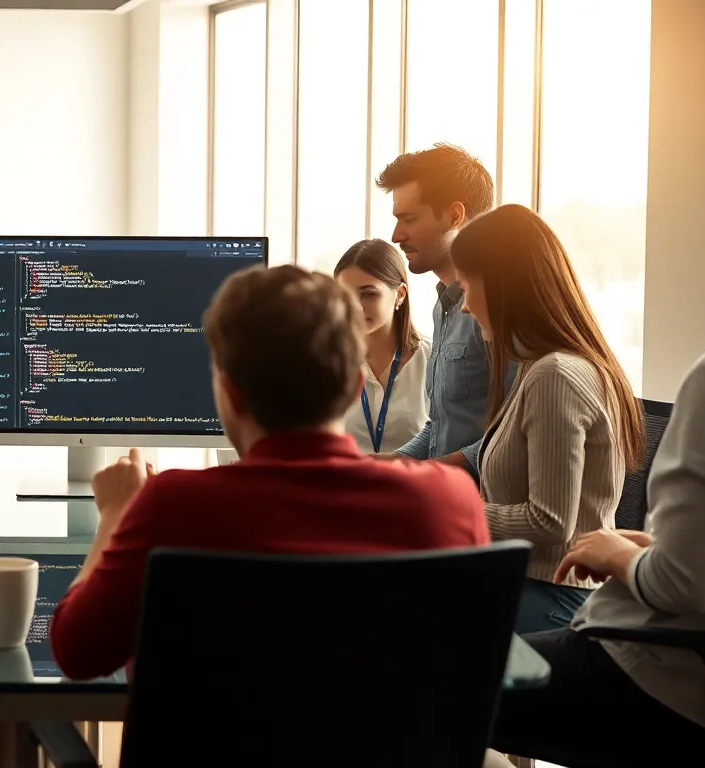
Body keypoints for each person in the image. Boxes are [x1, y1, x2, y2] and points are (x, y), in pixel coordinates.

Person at [48, 264, 489, 681]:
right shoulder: (448, 502)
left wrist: (115, 516)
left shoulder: (171, 506)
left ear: (231, 393)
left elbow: (77, 654)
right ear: (353, 386)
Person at [493, 328, 705, 765]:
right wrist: (660, 549)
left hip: (690, 683)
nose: (466, 305)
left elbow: (687, 586)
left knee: (436, 679)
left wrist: (619, 555)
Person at [449, 204, 644, 633]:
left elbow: (550, 522)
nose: (464, 307)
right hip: (536, 587)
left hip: (553, 597)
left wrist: (450, 511)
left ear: (501, 286)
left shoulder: (555, 375)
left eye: (466, 287)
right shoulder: (542, 367)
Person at [375, 143, 510, 478]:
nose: (395, 235)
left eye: (408, 219)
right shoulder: (443, 306)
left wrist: (429, 475)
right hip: (444, 496)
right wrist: (389, 463)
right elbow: (440, 428)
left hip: (486, 513)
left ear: (454, 215)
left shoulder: (498, 307)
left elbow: (516, 432)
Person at [333, 238, 430, 453]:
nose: (355, 307)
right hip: (343, 485)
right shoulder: (326, 363)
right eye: (345, 296)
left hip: (411, 485)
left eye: (368, 294)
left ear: (400, 295)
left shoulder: (434, 360)